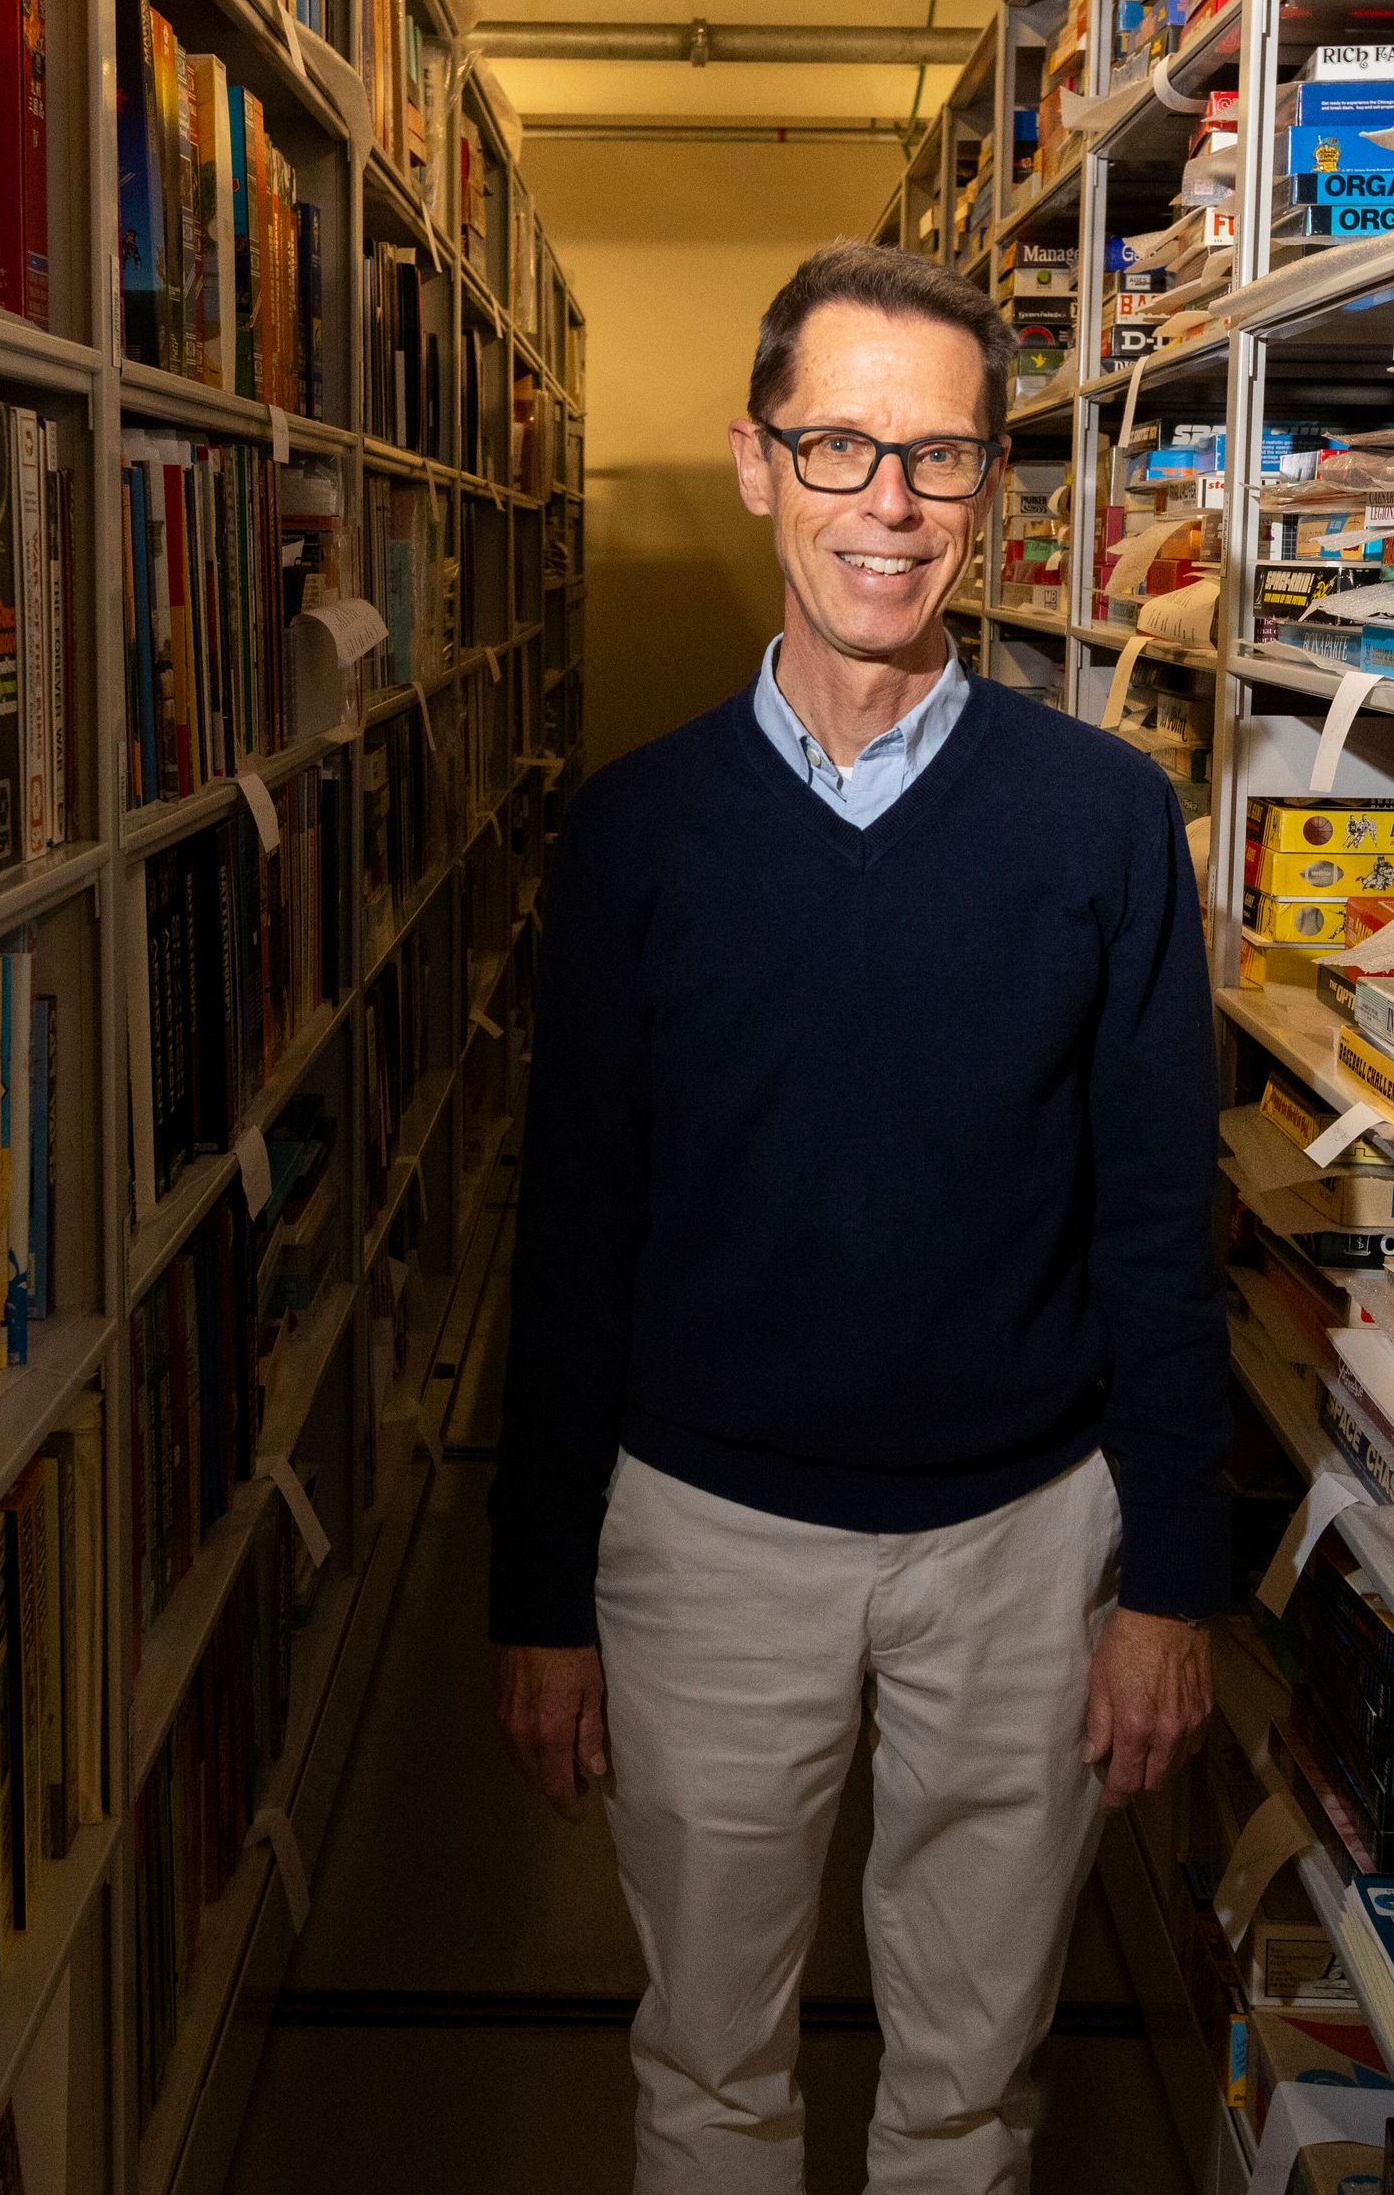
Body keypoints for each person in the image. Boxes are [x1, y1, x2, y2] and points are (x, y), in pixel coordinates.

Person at [490, 237, 1226, 2194]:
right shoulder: (636, 832)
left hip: (1025, 1545)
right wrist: (539, 1596)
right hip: (706, 1546)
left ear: (994, 486)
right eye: (838, 448)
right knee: (708, 2068)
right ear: (755, 464)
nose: (887, 508)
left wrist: (1169, 1586)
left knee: (969, 2088)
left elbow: (1160, 1218)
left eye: (940, 458)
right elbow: (572, 1231)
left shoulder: (1100, 823)